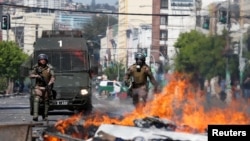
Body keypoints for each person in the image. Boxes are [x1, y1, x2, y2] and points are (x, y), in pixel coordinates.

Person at [29, 54, 55, 121]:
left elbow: (53, 77)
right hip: (39, 87)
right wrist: (36, 76)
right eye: (41, 60)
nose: (42, 61)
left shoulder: (49, 68)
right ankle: (35, 115)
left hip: (46, 87)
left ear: (46, 60)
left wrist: (49, 84)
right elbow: (31, 75)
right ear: (39, 60)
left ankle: (45, 116)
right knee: (36, 99)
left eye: (44, 60)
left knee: (46, 101)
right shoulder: (36, 68)